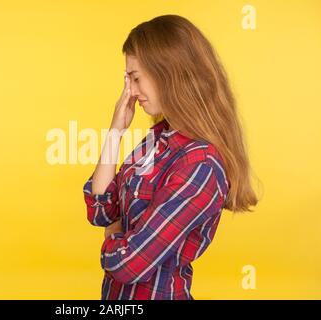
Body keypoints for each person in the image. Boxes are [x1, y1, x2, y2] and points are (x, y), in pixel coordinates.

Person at [82, 14, 259, 300]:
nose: (130, 91)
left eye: (135, 78)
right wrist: (116, 131)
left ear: (168, 73)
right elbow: (101, 210)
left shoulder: (201, 166)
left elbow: (128, 264)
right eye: (128, 79)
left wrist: (111, 237)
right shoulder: (158, 138)